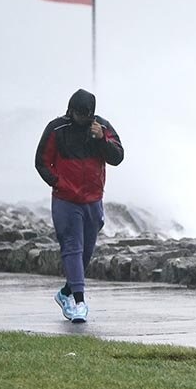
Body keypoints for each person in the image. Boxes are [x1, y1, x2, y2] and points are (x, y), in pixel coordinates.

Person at [35, 88, 124, 323]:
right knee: (73, 248)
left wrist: (101, 139)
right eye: (75, 113)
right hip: (66, 200)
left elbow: (117, 157)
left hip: (93, 199)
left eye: (84, 114)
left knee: (86, 252)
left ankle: (65, 293)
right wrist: (58, 183)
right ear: (70, 110)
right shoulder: (57, 129)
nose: (79, 118)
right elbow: (42, 161)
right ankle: (79, 302)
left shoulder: (101, 128)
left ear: (91, 114)